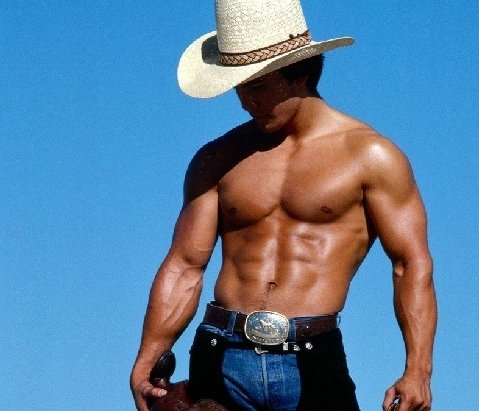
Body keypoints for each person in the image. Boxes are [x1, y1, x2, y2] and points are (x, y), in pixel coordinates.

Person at [130, 1, 437, 410]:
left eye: (257, 86)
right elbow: (185, 264)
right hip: (221, 352)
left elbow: (410, 263)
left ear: (300, 73)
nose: (245, 101)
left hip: (313, 358)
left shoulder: (371, 157)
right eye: (239, 87)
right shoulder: (218, 158)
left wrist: (418, 370)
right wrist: (149, 353)